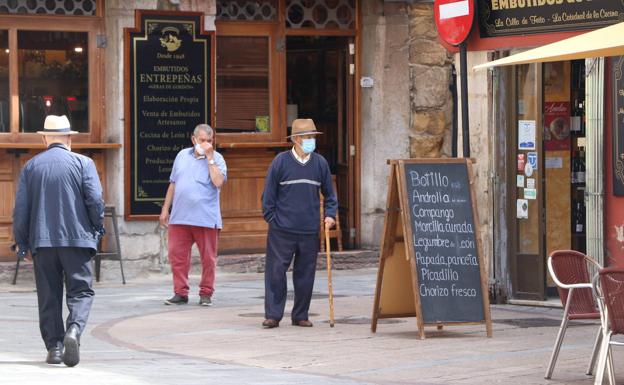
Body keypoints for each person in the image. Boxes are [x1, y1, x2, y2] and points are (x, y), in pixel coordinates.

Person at [13, 115, 105, 367]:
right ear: (69, 139)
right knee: (81, 290)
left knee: (48, 294)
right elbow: (95, 200)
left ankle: (54, 348)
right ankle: (73, 330)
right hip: (77, 239)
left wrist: (22, 243)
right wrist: (97, 229)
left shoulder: (31, 167)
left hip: (43, 241)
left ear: (44, 138)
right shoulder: (84, 163)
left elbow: (21, 209)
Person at [261, 118, 337, 328]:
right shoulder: (280, 162)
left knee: (306, 274)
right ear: (295, 139)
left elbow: (330, 195)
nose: (310, 140)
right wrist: (272, 219)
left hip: (309, 229)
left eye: (313, 137)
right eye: (306, 137)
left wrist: (330, 214)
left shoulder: (320, 163)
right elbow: (268, 196)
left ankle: (300, 315)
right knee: (276, 272)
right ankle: (273, 315)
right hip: (282, 229)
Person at [160, 124, 227, 307]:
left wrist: (210, 158)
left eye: (208, 141)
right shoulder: (182, 155)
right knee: (177, 256)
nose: (205, 144)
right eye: (202, 140)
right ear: (193, 139)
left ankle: (206, 293)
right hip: (180, 216)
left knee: (208, 258)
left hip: (205, 218)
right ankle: (180, 293)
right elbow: (173, 184)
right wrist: (165, 209)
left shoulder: (218, 159)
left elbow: (218, 182)